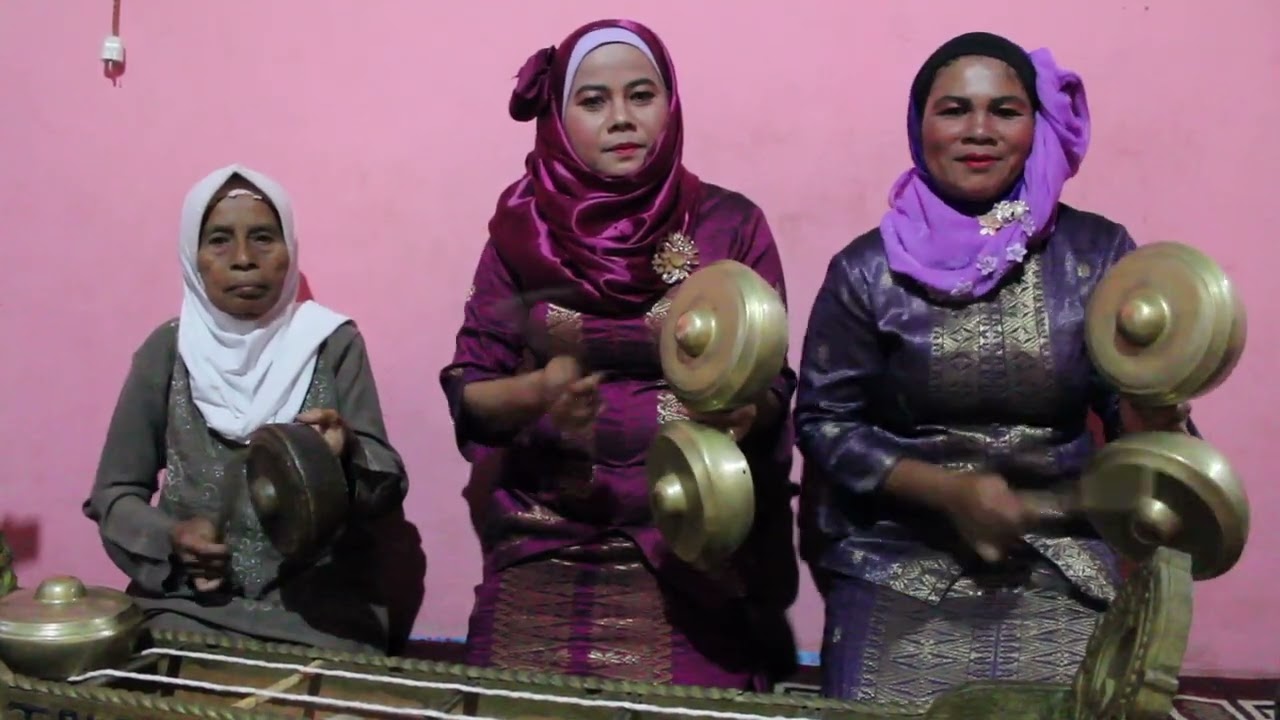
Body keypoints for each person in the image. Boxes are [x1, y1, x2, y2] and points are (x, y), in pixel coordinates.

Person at [794, 32, 1194, 704]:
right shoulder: (866, 270)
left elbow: (1136, 416)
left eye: (1005, 111)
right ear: (919, 127)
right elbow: (825, 422)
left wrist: (1156, 414)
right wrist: (949, 493)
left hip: (1059, 550)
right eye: (954, 110)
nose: (979, 131)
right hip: (898, 556)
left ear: (1035, 125)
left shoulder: (1098, 255)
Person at [440, 19, 799, 689]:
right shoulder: (520, 233)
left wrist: (742, 417)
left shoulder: (730, 224)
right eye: (594, 101)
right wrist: (536, 393)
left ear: (670, 104)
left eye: (641, 95)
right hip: (545, 534)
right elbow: (470, 386)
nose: (622, 118)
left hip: (691, 540)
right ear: (558, 115)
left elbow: (772, 379)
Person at [84, 164, 408, 654]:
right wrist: (173, 537)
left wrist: (344, 455)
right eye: (218, 240)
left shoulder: (330, 344)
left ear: (290, 249)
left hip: (319, 618)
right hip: (185, 611)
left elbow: (386, 483)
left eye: (263, 237)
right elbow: (114, 494)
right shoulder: (168, 353)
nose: (243, 259)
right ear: (192, 257)